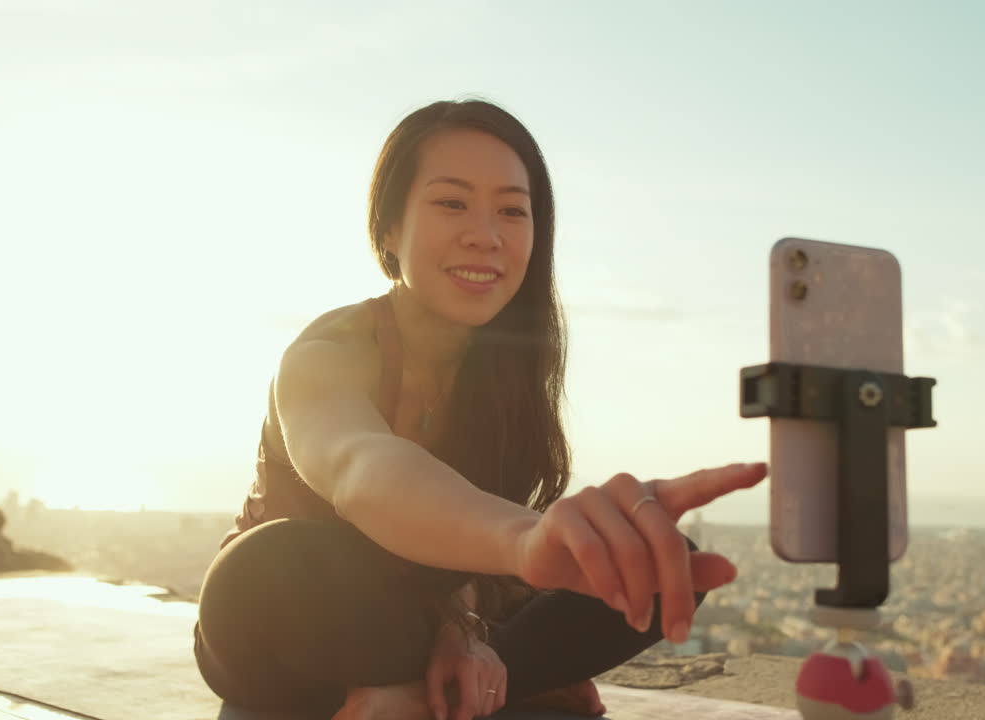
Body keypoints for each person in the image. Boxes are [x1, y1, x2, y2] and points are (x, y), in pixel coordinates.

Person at [192, 99, 768, 720]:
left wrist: (470, 628)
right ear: (389, 228)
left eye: (512, 211)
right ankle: (472, 686)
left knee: (665, 562)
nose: (485, 235)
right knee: (266, 567)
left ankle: (426, 696)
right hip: (303, 629)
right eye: (452, 203)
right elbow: (365, 469)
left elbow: (456, 552)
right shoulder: (330, 353)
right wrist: (526, 542)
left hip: (426, 625)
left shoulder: (505, 373)